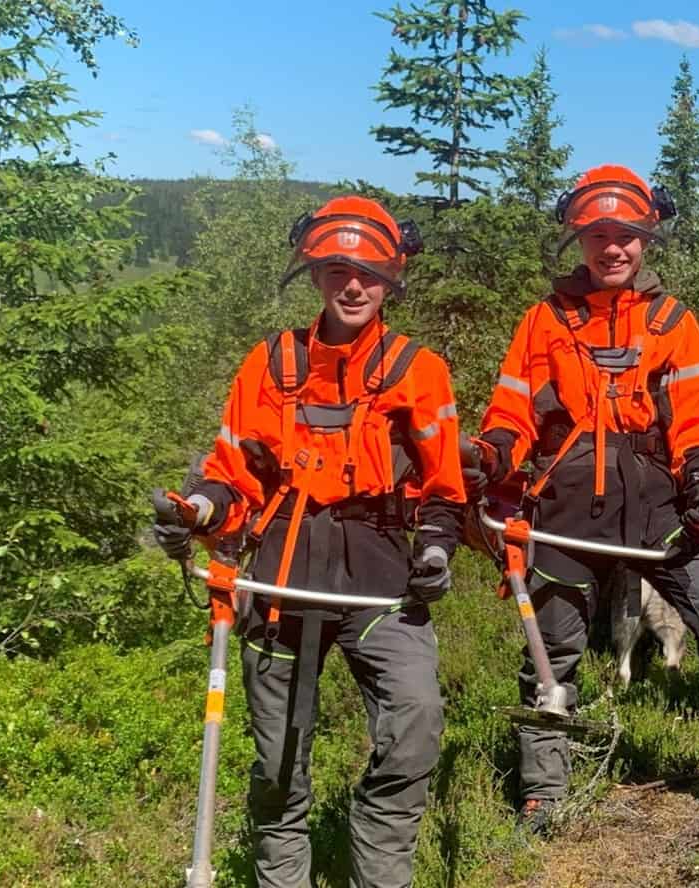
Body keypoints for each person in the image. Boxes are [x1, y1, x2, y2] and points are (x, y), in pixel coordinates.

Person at [463, 165, 699, 832]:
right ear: (580, 239)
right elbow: (511, 412)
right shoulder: (543, 322)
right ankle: (544, 791)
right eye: (600, 235)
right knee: (552, 646)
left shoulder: (672, 323)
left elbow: (696, 416)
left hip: (660, 504)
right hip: (566, 506)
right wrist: (493, 459)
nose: (614, 248)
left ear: (647, 240)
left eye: (627, 236)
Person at [151, 196, 462, 887]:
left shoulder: (419, 369)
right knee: (278, 761)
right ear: (315, 274)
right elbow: (232, 480)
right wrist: (197, 508)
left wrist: (437, 550)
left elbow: (443, 490)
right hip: (280, 574)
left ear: (393, 278)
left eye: (370, 272)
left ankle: (379, 869)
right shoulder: (268, 366)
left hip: (382, 575)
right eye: (335, 269)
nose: (353, 285)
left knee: (415, 718)